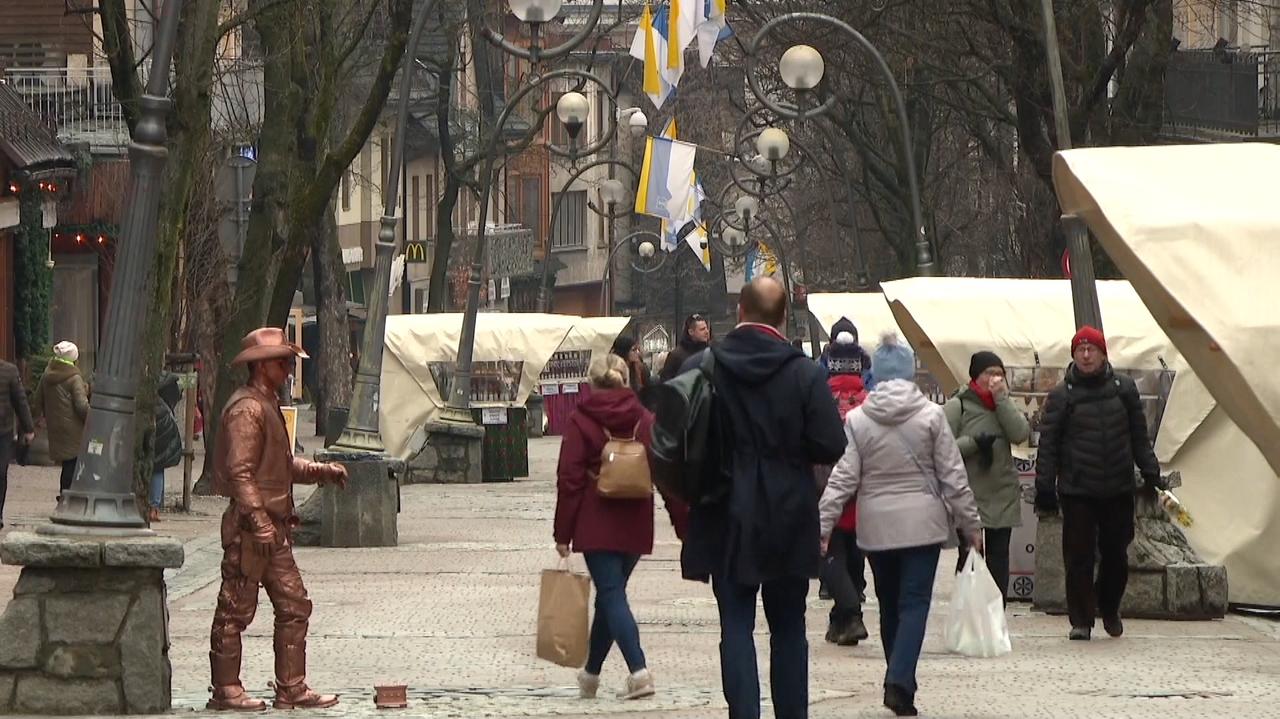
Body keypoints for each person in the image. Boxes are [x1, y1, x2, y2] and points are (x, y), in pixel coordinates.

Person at [680, 277, 846, 719]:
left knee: (735, 623)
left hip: (724, 509)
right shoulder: (805, 372)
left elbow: (676, 441)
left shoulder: (703, 367)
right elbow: (832, 443)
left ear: (739, 312)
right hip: (788, 510)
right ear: (784, 317)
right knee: (789, 626)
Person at [818, 332, 982, 717]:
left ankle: (898, 676)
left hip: (875, 529)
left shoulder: (859, 419)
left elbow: (843, 477)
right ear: (909, 374)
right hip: (922, 527)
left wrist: (822, 525)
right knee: (914, 604)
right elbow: (953, 476)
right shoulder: (931, 417)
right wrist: (970, 525)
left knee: (889, 604)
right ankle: (900, 679)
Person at [208, 328, 348, 711]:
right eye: (282, 362)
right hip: (253, 531)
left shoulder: (264, 403)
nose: (289, 369)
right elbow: (241, 473)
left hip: (274, 530)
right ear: (260, 366)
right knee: (235, 610)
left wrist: (322, 471)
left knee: (294, 605)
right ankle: (226, 690)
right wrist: (258, 521)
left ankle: (291, 686)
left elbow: (280, 467)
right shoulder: (247, 409)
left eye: (289, 362)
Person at [553, 353, 687, 701]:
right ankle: (591, 675)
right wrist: (682, 523)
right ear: (625, 380)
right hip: (635, 521)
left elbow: (569, 479)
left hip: (596, 520)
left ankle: (639, 671)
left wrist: (562, 533)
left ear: (591, 384)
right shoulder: (645, 419)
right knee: (611, 598)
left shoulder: (581, 420)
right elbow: (665, 472)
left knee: (612, 596)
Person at [1034, 326, 1165, 641]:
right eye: (1080, 349)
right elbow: (1048, 444)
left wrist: (1151, 472)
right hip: (1078, 489)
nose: (1086, 354)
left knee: (1116, 556)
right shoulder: (1062, 395)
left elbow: (1139, 435)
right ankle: (1080, 619)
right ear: (1074, 355)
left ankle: (1108, 607)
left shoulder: (1125, 389)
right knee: (1077, 557)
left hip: (1117, 487)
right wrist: (1045, 488)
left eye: (1092, 349)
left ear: (1104, 354)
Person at [944, 351, 1031, 603]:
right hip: (968, 495)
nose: (994, 379)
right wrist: (973, 443)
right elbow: (943, 449)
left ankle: (995, 614)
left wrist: (1001, 399)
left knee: (999, 557)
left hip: (1001, 493)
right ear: (975, 376)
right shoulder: (958, 405)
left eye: (999, 374)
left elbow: (1019, 433)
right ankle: (968, 611)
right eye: (989, 373)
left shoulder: (1004, 403)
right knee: (970, 556)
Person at [818, 328, 871, 646]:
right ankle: (841, 621)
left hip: (826, 483)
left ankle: (850, 612)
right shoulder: (869, 402)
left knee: (830, 550)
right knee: (852, 550)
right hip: (864, 486)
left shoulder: (820, 399)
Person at [32, 341, 89, 501]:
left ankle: (64, 494)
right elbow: (81, 406)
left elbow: (38, 400)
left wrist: (39, 418)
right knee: (74, 461)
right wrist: (93, 419)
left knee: (67, 462)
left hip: (56, 426)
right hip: (74, 428)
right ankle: (68, 495)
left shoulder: (47, 375)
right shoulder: (74, 378)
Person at [1, 357, 36, 530]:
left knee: (0, 472)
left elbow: (20, 401)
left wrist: (28, 428)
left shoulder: (9, 371)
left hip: (2, 431)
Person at [148, 372, 184, 524]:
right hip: (165, 434)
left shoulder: (150, 404)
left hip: (157, 434)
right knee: (158, 469)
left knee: (155, 468)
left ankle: (152, 506)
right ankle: (154, 507)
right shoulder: (164, 403)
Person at [658, 314, 711, 382]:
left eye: (707, 328)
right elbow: (666, 383)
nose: (707, 332)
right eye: (702, 329)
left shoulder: (710, 351)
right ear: (691, 332)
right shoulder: (676, 356)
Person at [610, 335, 654, 405]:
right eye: (633, 350)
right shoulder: (612, 370)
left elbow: (647, 393)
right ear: (624, 351)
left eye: (638, 350)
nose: (638, 353)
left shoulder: (640, 368)